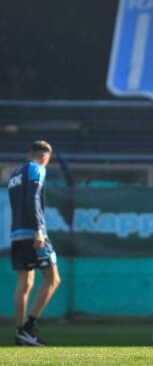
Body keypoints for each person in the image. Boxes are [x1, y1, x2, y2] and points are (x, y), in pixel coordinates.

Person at [8, 140, 61, 346]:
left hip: (17, 233)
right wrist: (39, 229)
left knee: (25, 282)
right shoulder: (37, 168)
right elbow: (33, 198)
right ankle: (29, 326)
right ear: (45, 158)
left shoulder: (14, 174)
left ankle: (21, 331)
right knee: (53, 279)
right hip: (33, 233)